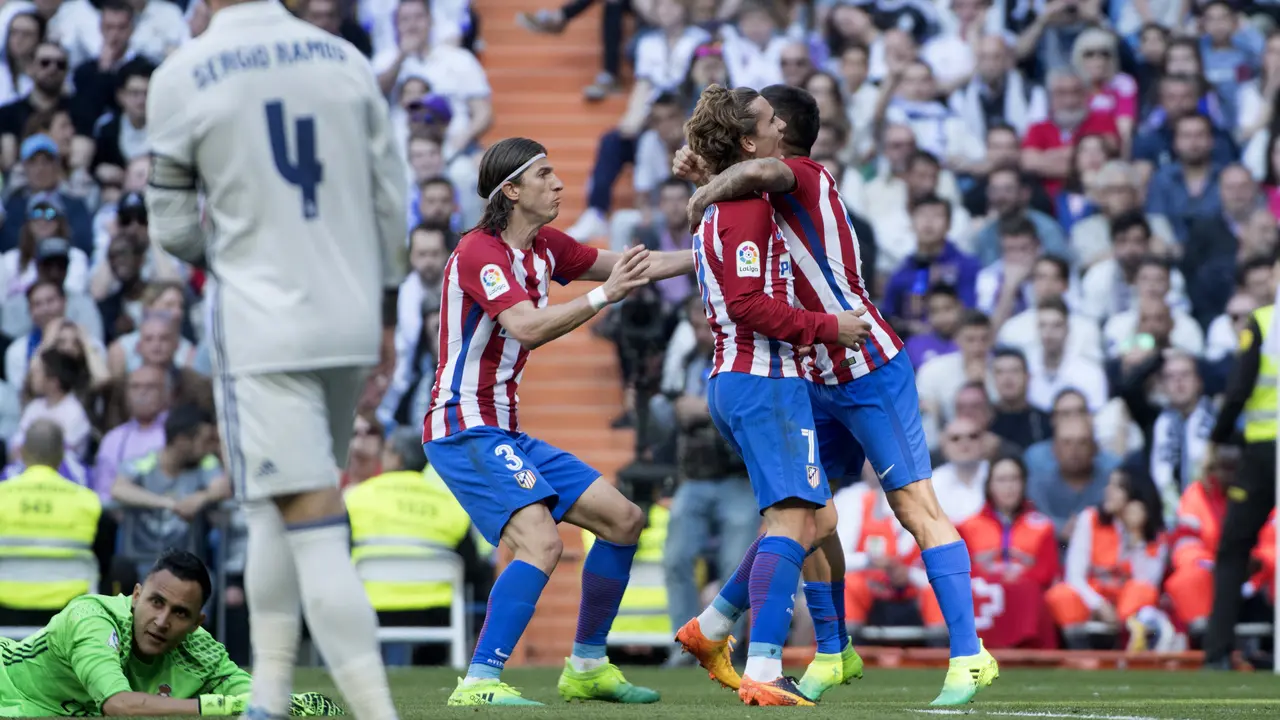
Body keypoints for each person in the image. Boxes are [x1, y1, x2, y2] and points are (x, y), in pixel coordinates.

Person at [674, 83, 998, 706]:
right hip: (809, 370)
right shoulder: (753, 196)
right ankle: (831, 650)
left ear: (783, 132)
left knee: (913, 507)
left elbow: (760, 169)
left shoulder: (801, 174)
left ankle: (969, 654)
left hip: (867, 364)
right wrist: (712, 173)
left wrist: (710, 183)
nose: (764, 126)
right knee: (809, 515)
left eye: (770, 117)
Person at [143, 2, 409, 718]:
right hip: (350, 315)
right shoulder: (345, 59)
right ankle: (267, 699)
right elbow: (393, 200)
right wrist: (385, 308)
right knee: (270, 503)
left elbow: (170, 224)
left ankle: (377, 711)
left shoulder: (183, 71)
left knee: (310, 517)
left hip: (265, 328)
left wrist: (233, 257)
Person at [421, 137, 694, 706]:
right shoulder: (479, 252)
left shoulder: (545, 247)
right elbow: (525, 326)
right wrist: (602, 299)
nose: (560, 183)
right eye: (545, 175)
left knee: (623, 519)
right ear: (512, 190)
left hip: (503, 428)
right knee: (541, 543)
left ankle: (588, 665)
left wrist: (711, 251)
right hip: (462, 424)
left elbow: (629, 266)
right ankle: (479, 682)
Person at [677, 84, 869, 708]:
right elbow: (746, 303)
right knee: (793, 520)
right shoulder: (747, 209)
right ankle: (763, 666)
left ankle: (710, 630)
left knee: (811, 517)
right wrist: (826, 327)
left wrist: (702, 168)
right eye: (767, 120)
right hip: (763, 380)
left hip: (744, 379)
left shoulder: (736, 199)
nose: (780, 125)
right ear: (749, 141)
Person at [0, 550, 343, 717]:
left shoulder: (201, 651)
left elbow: (249, 699)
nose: (162, 621)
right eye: (156, 602)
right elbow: (118, 705)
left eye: (180, 613)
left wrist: (293, 704)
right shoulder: (91, 620)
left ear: (197, 623)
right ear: (136, 596)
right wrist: (209, 707)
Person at [1203, 287, 1278, 669]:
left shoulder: (1264, 321)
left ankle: (1217, 654)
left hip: (1265, 450)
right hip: (1264, 450)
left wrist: (1215, 439)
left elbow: (1238, 390)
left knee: (1233, 549)